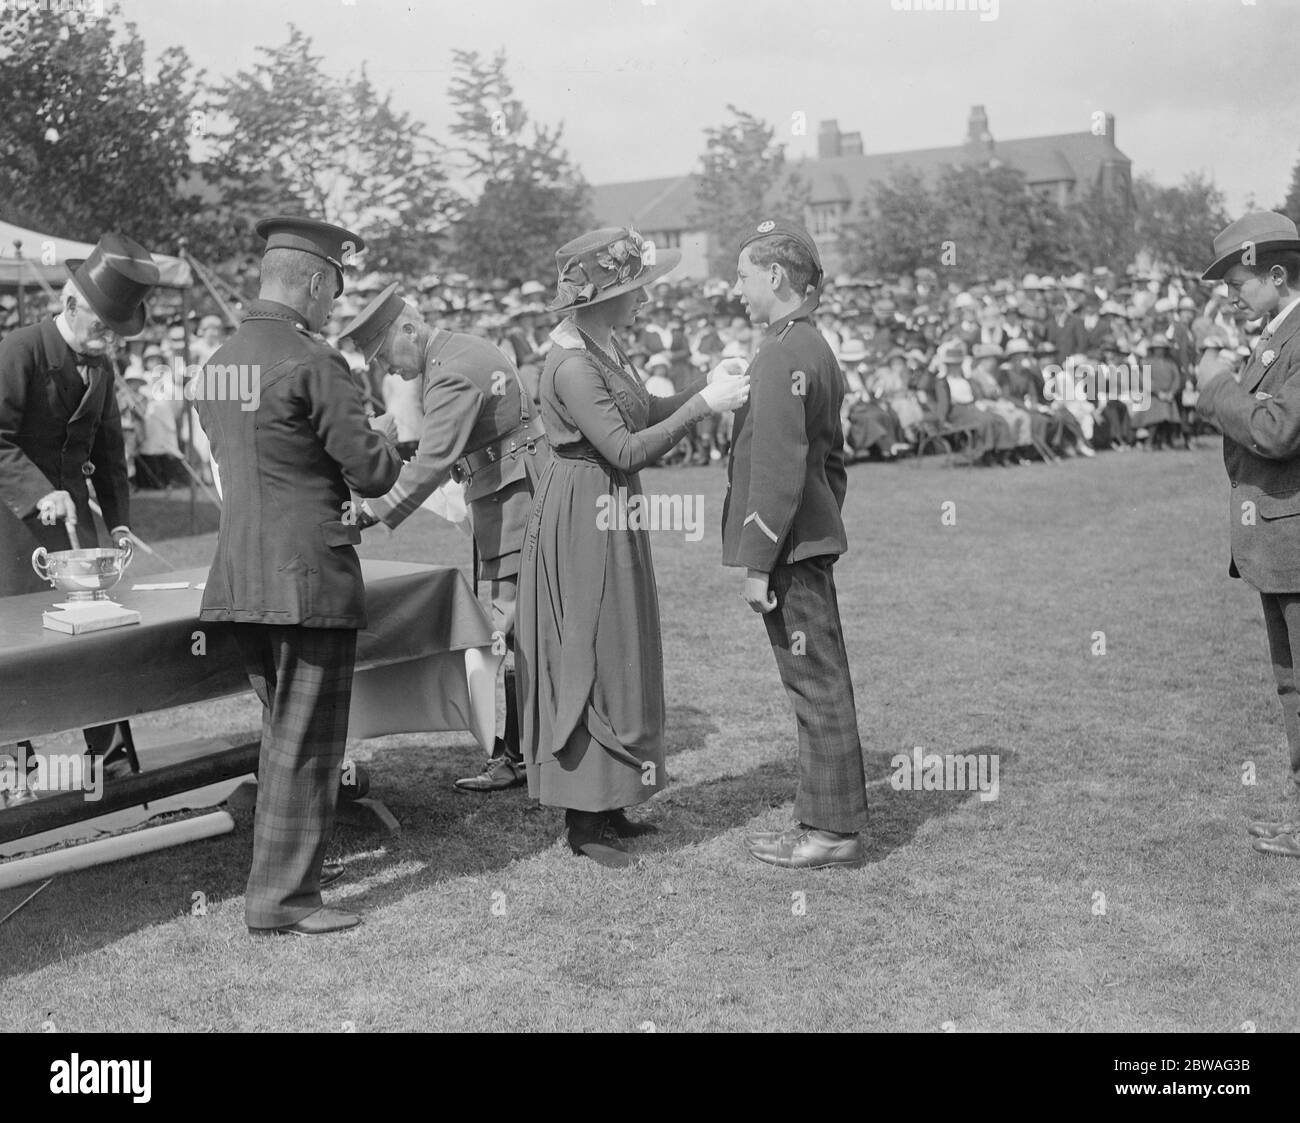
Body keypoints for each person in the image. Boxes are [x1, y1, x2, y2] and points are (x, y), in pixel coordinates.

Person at [515, 227, 749, 867]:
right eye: (637, 289)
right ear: (602, 297)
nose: (645, 300)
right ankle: (583, 820)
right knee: (589, 647)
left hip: (611, 506)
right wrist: (705, 403)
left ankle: (611, 799)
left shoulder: (603, 346)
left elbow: (643, 414)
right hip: (584, 512)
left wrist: (706, 384)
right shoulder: (569, 364)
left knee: (620, 646)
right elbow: (622, 448)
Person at [196, 216, 403, 935]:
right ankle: (284, 899)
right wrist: (395, 430)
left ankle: (285, 877)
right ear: (315, 282)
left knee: (282, 732)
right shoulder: (317, 363)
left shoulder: (218, 360)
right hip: (306, 578)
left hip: (240, 577)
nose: (332, 308)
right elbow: (371, 469)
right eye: (333, 292)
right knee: (309, 742)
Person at [339, 283, 551, 792]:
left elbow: (433, 460)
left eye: (385, 354)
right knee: (520, 630)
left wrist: (372, 510)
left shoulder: (450, 370)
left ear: (409, 329)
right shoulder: (456, 352)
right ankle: (525, 752)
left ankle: (522, 756)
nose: (386, 369)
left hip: (513, 501)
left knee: (511, 628)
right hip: (507, 493)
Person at [724, 219, 868, 871]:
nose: (737, 289)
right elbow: (830, 466)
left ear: (777, 278)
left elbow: (779, 470)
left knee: (815, 688)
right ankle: (824, 822)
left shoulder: (784, 353)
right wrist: (818, 525)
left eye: (745, 275)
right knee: (819, 685)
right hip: (803, 544)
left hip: (787, 554)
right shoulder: (813, 347)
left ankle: (831, 832)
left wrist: (760, 563)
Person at [0, 232, 158, 768]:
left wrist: (117, 525)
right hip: (12, 529)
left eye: (116, 331)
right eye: (101, 326)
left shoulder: (103, 368)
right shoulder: (18, 351)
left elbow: (110, 455)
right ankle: (13, 770)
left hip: (78, 536)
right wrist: (40, 493)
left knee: (95, 644)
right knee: (15, 650)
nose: (109, 339)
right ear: (70, 304)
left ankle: (112, 761)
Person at [1196, 211, 1300, 858]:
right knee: (1292, 686)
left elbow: (1275, 430)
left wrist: (1215, 384)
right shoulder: (1276, 336)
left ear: (1278, 273)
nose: (1231, 293)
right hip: (1276, 541)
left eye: (1240, 279)